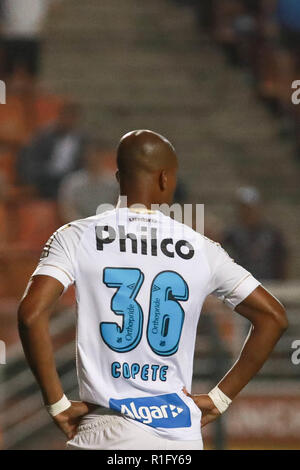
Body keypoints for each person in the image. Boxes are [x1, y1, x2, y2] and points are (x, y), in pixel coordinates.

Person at [18, 130, 287, 450]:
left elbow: (31, 315)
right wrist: (220, 398)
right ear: (165, 179)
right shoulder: (202, 248)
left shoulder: (76, 236)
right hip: (179, 436)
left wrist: (57, 404)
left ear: (118, 177)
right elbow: (273, 318)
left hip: (108, 429)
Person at [18, 100, 87, 199]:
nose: (68, 121)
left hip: (69, 178)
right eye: (66, 117)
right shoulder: (43, 136)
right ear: (60, 117)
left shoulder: (81, 139)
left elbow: (83, 162)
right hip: (47, 177)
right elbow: (31, 161)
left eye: (72, 117)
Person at [223, 186, 287, 280]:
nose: (248, 212)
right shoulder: (230, 235)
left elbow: (282, 260)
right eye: (244, 208)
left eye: (251, 208)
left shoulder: (273, 234)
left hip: (269, 285)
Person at [58, 140, 118, 223]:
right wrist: (82, 225)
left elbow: (119, 207)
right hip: (79, 229)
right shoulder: (72, 182)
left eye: (97, 153)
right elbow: (67, 209)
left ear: (103, 155)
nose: (93, 157)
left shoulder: (114, 182)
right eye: (89, 154)